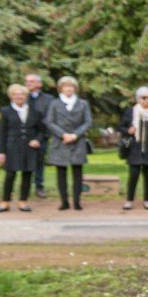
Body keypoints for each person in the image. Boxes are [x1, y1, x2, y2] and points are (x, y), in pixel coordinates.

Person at [0, 83, 44, 212]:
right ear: (11, 96)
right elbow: (2, 133)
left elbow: (41, 131)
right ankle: (5, 201)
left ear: (26, 96)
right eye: (15, 94)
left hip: (29, 148)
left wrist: (37, 140)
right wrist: (1, 152)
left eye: (21, 94)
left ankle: (23, 201)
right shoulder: (5, 111)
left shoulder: (35, 112)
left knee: (27, 175)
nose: (19, 97)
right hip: (12, 148)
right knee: (10, 175)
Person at [45, 76, 92, 211]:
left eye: (71, 86)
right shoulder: (54, 103)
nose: (69, 88)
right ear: (61, 88)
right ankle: (64, 201)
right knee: (61, 173)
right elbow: (49, 122)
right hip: (60, 142)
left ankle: (77, 201)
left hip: (77, 141)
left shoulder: (83, 103)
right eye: (66, 86)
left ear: (75, 88)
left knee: (77, 172)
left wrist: (75, 135)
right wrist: (63, 135)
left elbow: (88, 122)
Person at [119, 87, 148, 211]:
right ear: (138, 99)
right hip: (135, 148)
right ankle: (129, 200)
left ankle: (147, 200)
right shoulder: (131, 112)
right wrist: (128, 130)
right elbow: (121, 127)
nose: (146, 100)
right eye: (143, 98)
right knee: (133, 175)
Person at [24, 73, 52, 198]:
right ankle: (25, 187)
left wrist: (41, 137)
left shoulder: (48, 99)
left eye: (32, 81)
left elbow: (49, 118)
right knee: (25, 161)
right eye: (27, 81)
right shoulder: (21, 96)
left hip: (42, 135)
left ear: (39, 84)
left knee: (39, 161)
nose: (28, 83)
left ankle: (39, 186)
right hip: (25, 135)